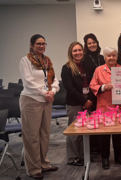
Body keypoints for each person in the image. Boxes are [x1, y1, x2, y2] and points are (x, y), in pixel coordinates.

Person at [19, 34, 59, 179]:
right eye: (38, 44)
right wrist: (44, 92)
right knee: (32, 136)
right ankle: (33, 168)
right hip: (31, 100)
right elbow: (28, 82)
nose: (41, 46)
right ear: (32, 45)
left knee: (44, 134)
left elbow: (54, 81)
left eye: (43, 43)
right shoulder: (25, 60)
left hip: (46, 100)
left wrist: (52, 91)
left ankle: (44, 164)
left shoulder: (47, 61)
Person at [90, 47, 121, 170]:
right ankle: (105, 158)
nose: (111, 58)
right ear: (104, 57)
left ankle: (118, 156)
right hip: (104, 107)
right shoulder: (98, 70)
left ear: (117, 57)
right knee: (103, 136)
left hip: (119, 108)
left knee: (118, 135)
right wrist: (103, 87)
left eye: (113, 55)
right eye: (108, 56)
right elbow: (92, 85)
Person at [61, 42, 94, 166]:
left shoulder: (87, 65)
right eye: (75, 51)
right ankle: (72, 157)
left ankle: (82, 155)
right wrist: (84, 101)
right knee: (74, 131)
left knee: (85, 130)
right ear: (71, 53)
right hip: (75, 102)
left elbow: (92, 83)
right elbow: (69, 88)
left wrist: (89, 100)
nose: (78, 53)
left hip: (88, 101)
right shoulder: (67, 67)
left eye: (80, 50)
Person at [82, 33, 105, 154]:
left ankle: (101, 148)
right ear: (86, 45)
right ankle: (92, 148)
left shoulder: (101, 58)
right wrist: (90, 98)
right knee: (92, 122)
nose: (92, 45)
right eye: (89, 43)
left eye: (94, 42)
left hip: (102, 94)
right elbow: (88, 81)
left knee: (100, 121)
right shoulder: (84, 59)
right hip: (91, 94)